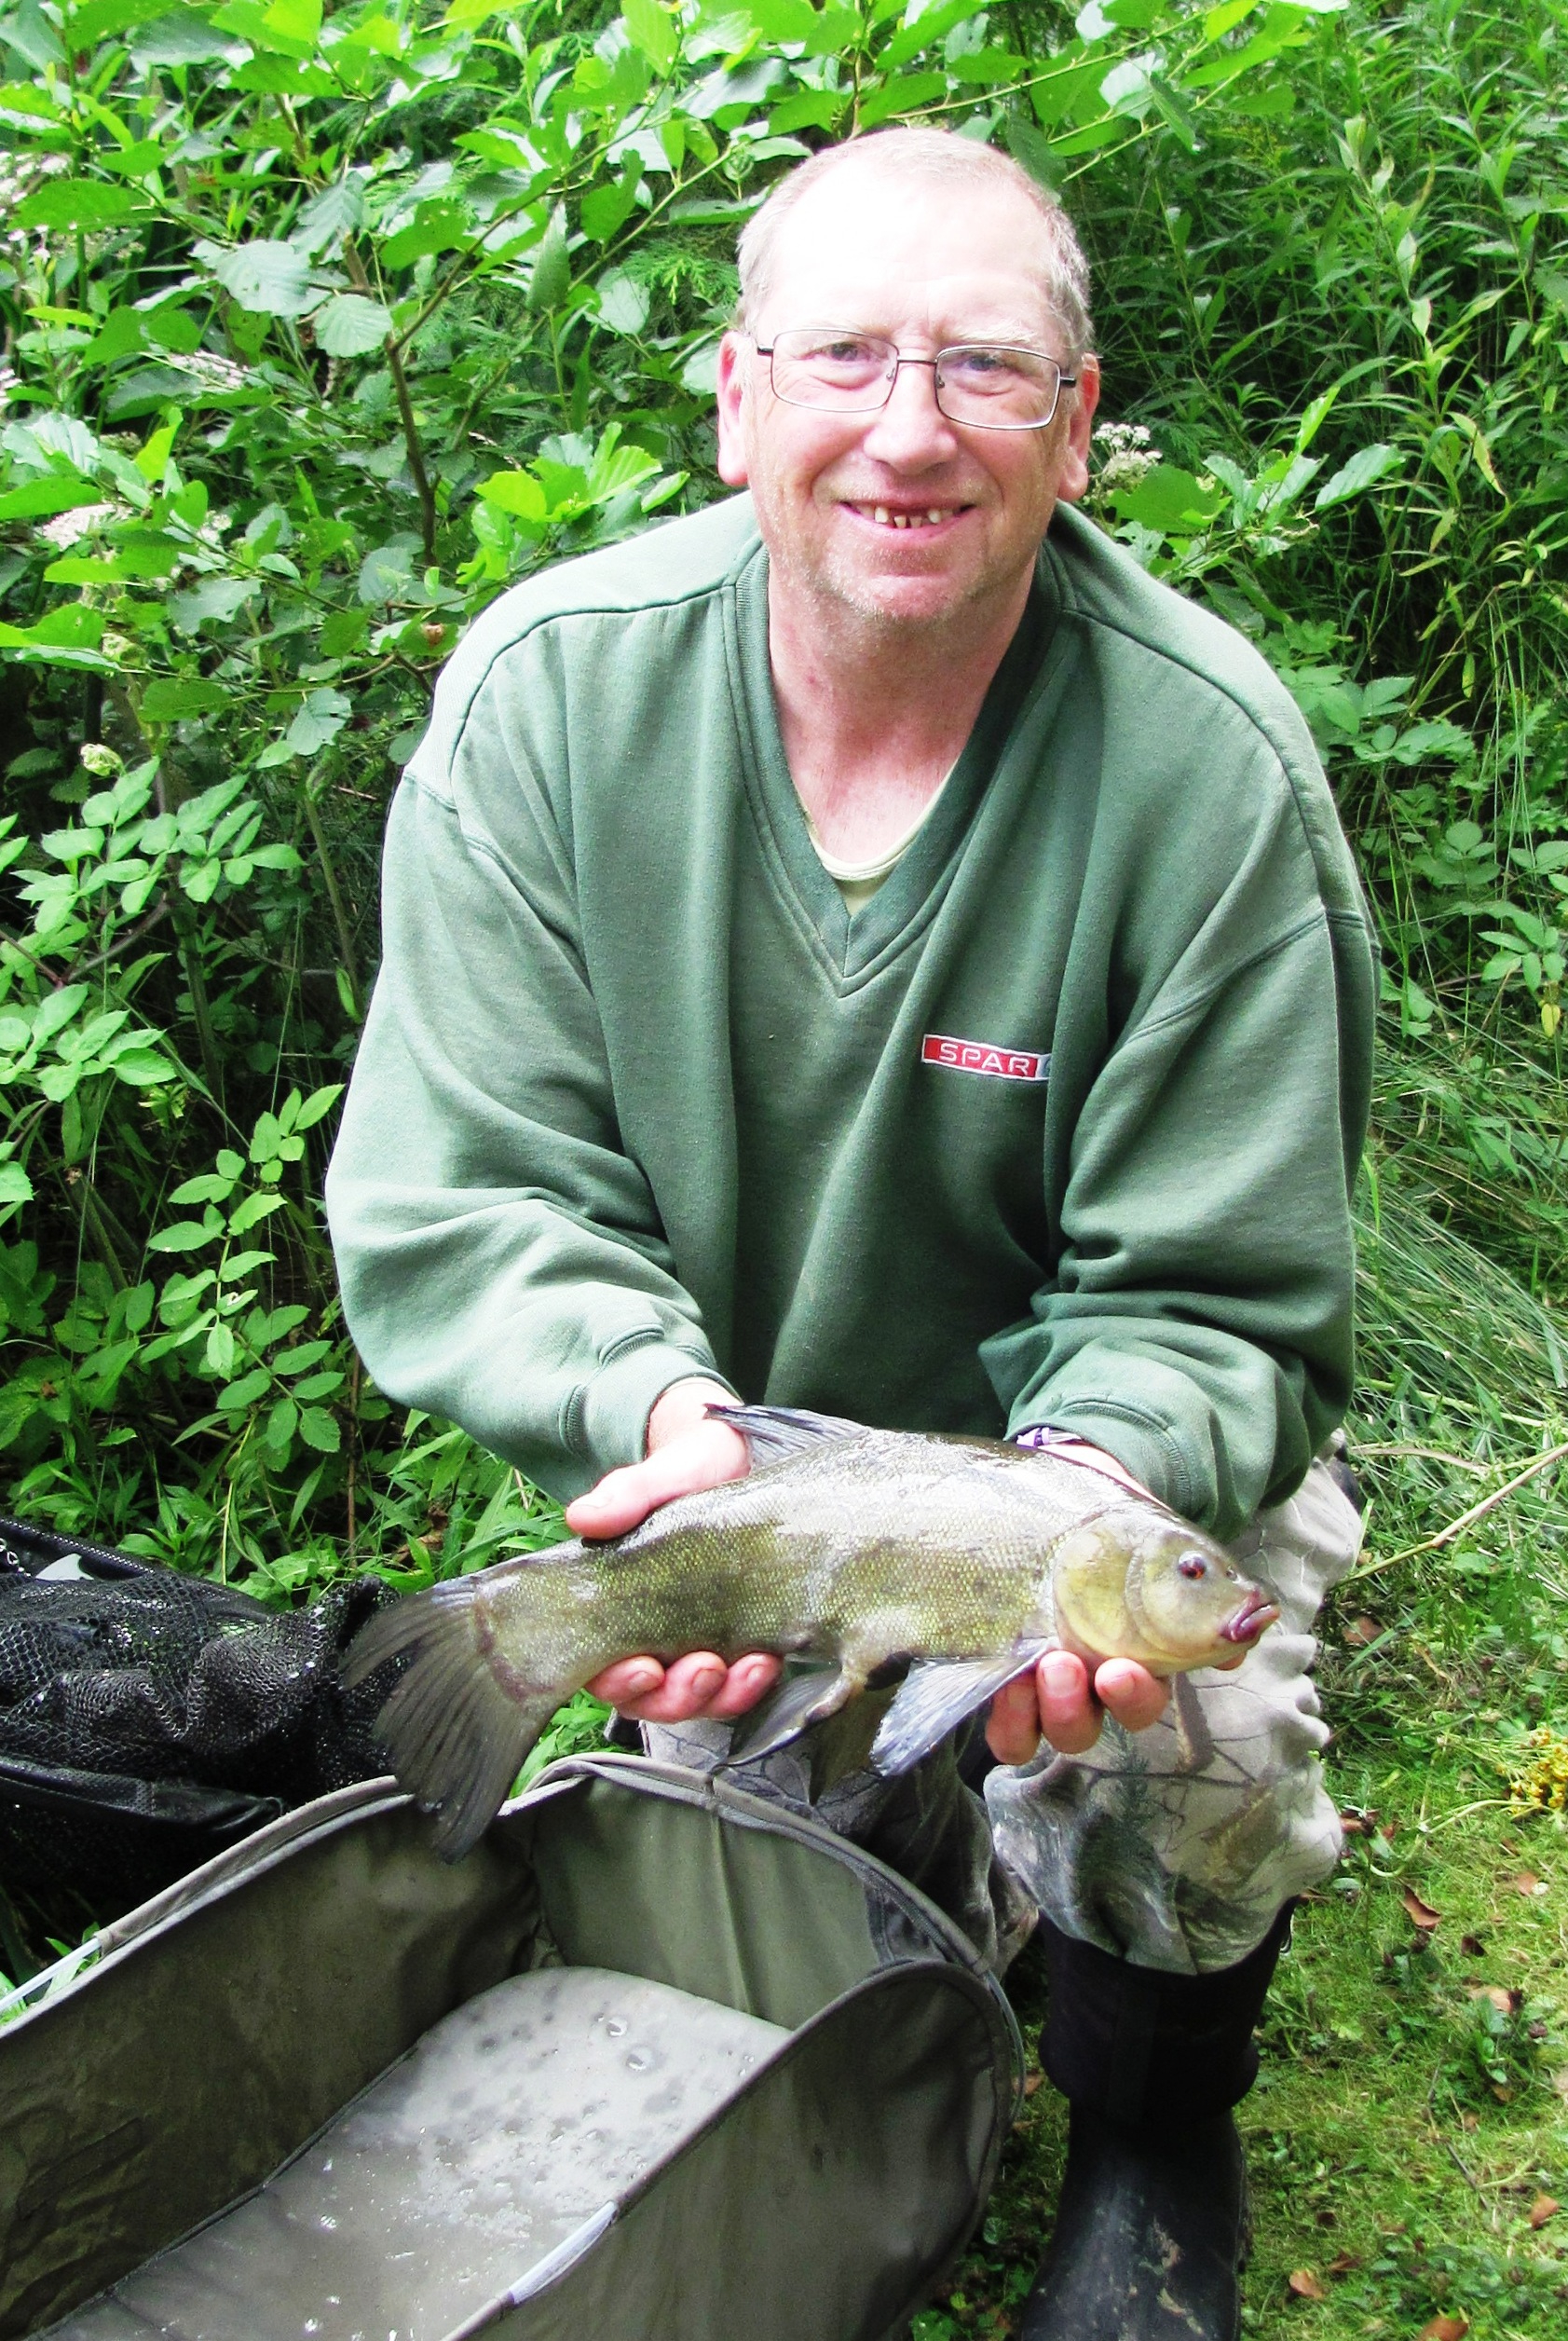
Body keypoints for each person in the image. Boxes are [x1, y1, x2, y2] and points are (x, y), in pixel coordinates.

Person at [326, 127, 1374, 2341]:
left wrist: (1104, 1469)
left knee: (1199, 1724)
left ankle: (1152, 2131)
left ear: (1075, 432)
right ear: (734, 397)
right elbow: (472, 1183)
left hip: (1088, 1463)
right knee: (762, 1826)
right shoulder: (547, 703)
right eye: (845, 357)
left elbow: (1208, 1294)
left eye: (987, 368)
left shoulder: (1206, 773)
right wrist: (661, 1417)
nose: (909, 429)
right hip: (744, 1465)